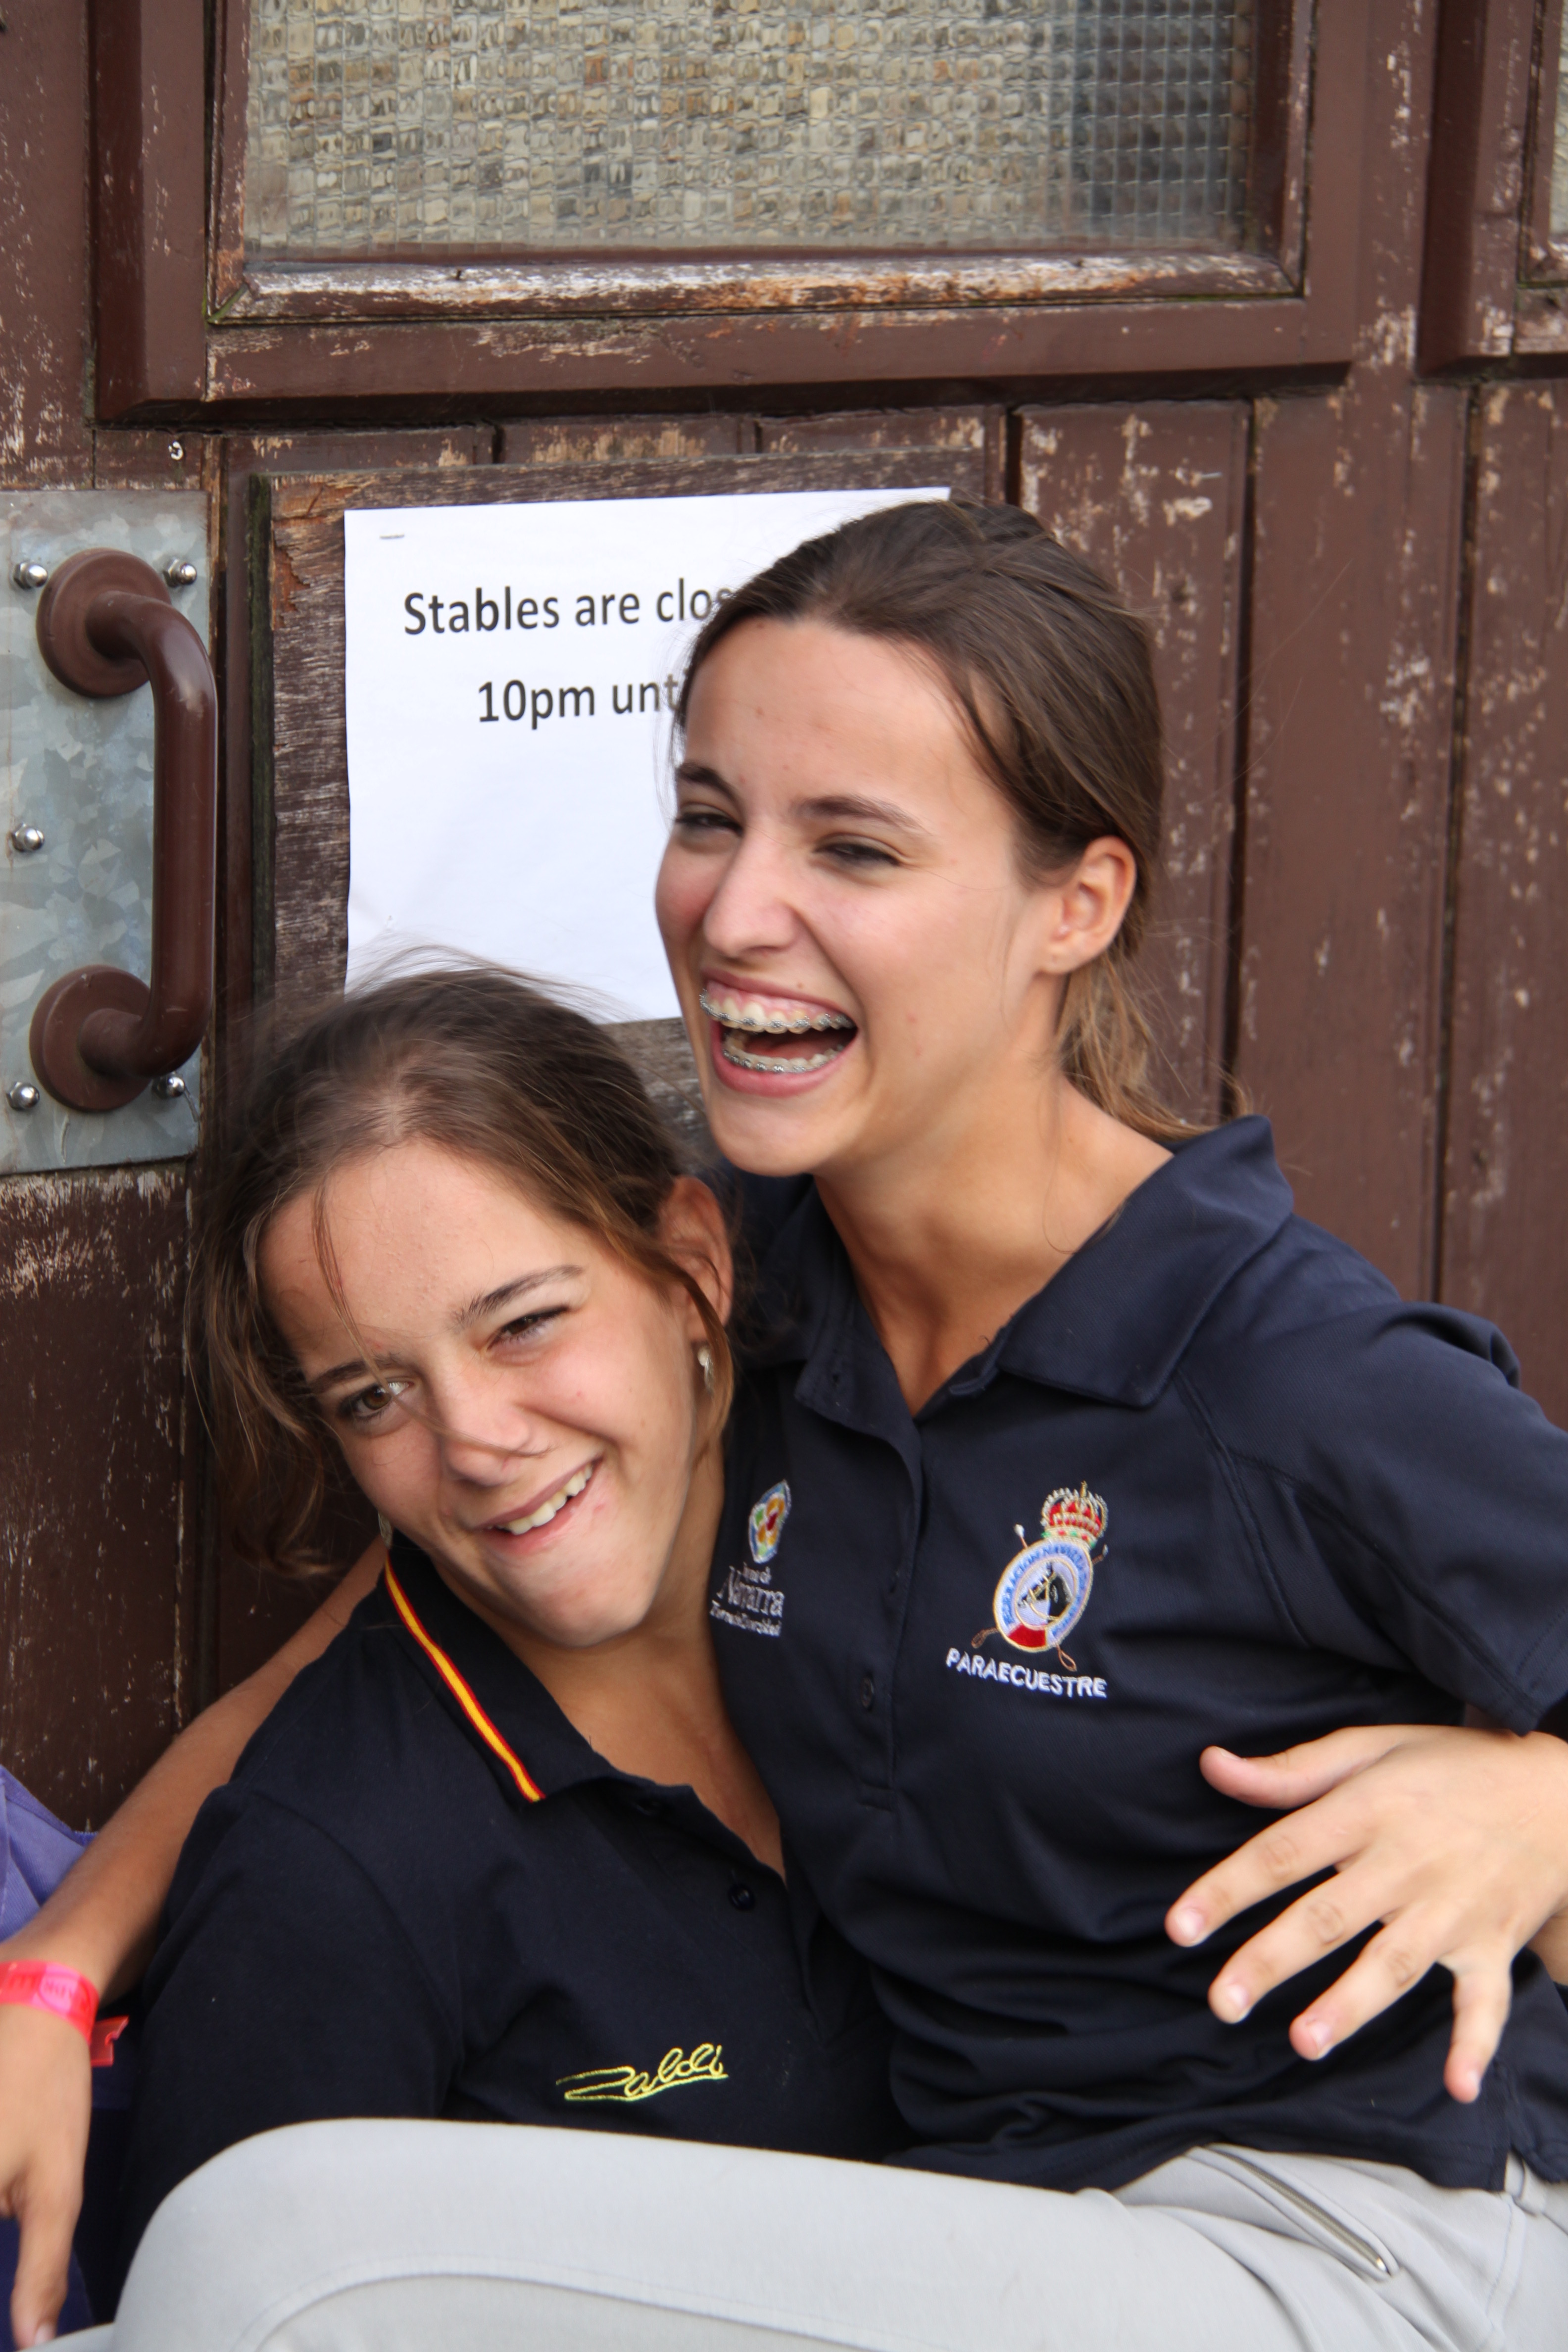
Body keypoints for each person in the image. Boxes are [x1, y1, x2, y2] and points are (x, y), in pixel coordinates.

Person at [5, 501, 1568, 2351]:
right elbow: (394, 1625)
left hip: (1358, 2249)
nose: (739, 913)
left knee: (269, 2260)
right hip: (1009, 2242)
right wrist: (52, 1980)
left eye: (856, 847)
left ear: (1078, 904)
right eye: (709, 817)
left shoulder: (1287, 1380)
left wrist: (1548, 1803)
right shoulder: (754, 1282)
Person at [109, 971, 906, 2278]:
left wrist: (1381, 1756)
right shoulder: (329, 1879)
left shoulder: (902, 1552)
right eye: (374, 1397)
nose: (476, 1443)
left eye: (524, 1323)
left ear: (692, 1268)